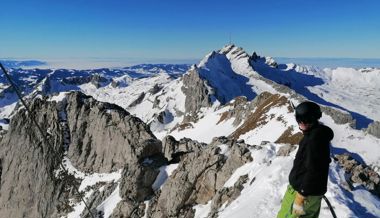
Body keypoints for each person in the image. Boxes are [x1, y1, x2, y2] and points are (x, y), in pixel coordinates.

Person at [277, 101, 334, 218]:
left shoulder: (312, 140)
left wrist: (301, 195)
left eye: (300, 121)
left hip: (302, 193)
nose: (299, 124)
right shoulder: (320, 135)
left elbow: (313, 169)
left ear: (305, 121)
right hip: (313, 194)